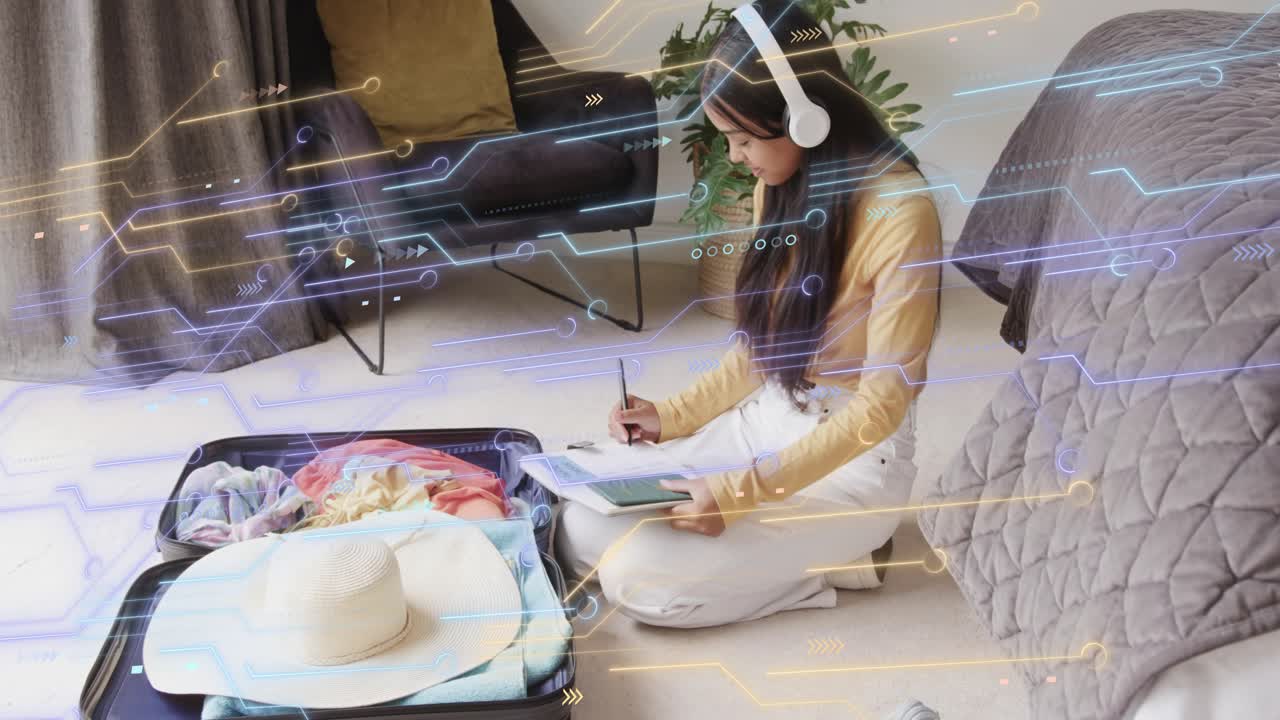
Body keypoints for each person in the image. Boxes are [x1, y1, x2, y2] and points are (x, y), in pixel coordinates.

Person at [555, 0, 942, 630]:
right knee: (577, 527)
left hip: (852, 462)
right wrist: (671, 416)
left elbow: (881, 406)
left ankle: (842, 560)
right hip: (767, 419)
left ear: (806, 118)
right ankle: (806, 560)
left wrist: (742, 493)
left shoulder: (902, 213)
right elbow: (764, 347)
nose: (736, 157)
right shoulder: (780, 183)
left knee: (643, 586)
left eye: (743, 139)